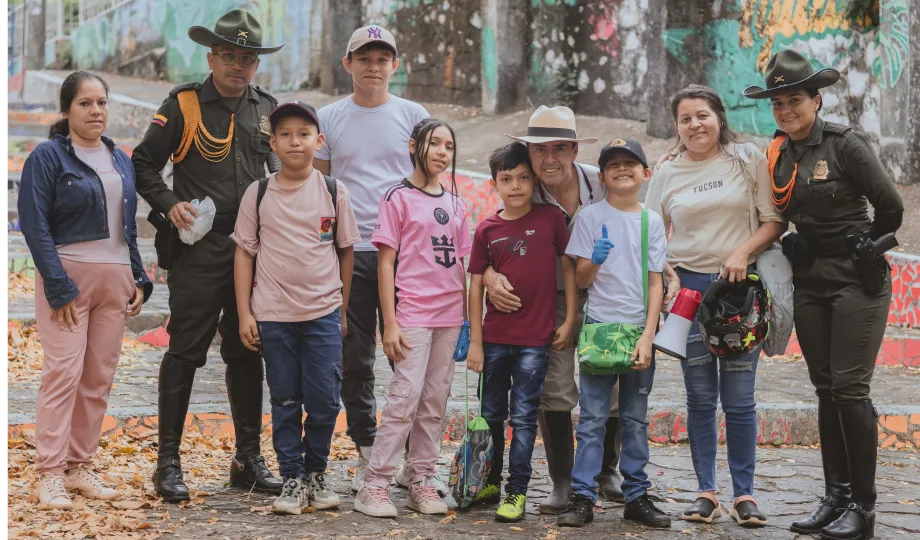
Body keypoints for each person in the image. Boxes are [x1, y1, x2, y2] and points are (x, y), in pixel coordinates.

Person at [743, 50, 903, 540]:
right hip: (810, 279)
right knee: (825, 389)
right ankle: (834, 498)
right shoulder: (778, 152)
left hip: (856, 281)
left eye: (794, 99)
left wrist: (864, 249)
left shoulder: (845, 144)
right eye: (778, 103)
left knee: (851, 389)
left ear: (815, 99)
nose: (786, 110)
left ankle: (864, 508)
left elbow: (892, 210)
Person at [132, 9, 284, 501]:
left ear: (256, 64)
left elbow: (281, 175)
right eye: (229, 55)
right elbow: (143, 163)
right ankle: (168, 464)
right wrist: (170, 203)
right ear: (211, 56)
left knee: (247, 351)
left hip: (253, 251)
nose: (238, 65)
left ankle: (247, 458)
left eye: (247, 58)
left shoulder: (268, 109)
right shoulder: (185, 105)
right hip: (200, 249)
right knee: (184, 351)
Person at [645, 84, 786, 528]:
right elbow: (649, 235)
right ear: (677, 127)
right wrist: (666, 273)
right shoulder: (667, 172)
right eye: (685, 119)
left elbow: (773, 221)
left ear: (719, 117)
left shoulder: (747, 159)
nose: (694, 124)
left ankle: (745, 494)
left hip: (739, 292)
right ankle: (706, 491)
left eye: (702, 115)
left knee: (740, 399)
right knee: (700, 397)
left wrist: (743, 251)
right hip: (688, 296)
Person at [18, 71, 153, 509]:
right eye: (85, 104)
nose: (96, 111)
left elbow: (126, 226)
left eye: (102, 103)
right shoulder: (48, 157)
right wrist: (57, 286)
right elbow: (35, 225)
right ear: (66, 110)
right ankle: (50, 473)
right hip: (68, 278)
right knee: (63, 373)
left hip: (115, 279)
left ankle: (80, 467)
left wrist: (139, 276)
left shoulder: (119, 158)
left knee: (98, 378)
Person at [313, 25, 430, 493]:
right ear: (348, 64)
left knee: (410, 355)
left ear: (395, 65)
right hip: (352, 252)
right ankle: (367, 445)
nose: (374, 67)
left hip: (408, 255)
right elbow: (317, 190)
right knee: (355, 356)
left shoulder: (413, 115)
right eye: (364, 58)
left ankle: (407, 455)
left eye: (383, 59)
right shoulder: (329, 117)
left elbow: (430, 177)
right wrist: (324, 248)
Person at [231, 101, 360, 515]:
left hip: (322, 312)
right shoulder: (260, 191)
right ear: (273, 142)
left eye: (304, 134)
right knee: (285, 400)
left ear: (318, 141)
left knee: (325, 400)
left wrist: (341, 308)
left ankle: (316, 472)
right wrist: (245, 313)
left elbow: (345, 250)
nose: (294, 142)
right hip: (273, 315)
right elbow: (244, 254)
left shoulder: (334, 191)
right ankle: (292, 477)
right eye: (285, 134)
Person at [353, 119, 470, 518]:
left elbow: (461, 263)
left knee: (434, 400)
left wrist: (469, 319)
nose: (441, 152)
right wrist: (389, 322)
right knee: (404, 399)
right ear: (413, 145)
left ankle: (420, 479)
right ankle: (374, 485)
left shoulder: (457, 202)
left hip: (450, 316)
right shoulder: (397, 197)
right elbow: (385, 264)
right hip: (413, 314)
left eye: (448, 146)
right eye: (433, 143)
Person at [556, 139, 669, 528]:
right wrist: (595, 260)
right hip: (600, 329)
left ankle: (637, 495)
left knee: (635, 420)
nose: (623, 169)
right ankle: (583, 496)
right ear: (601, 176)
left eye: (631, 163)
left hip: (638, 330)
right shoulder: (590, 217)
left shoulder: (650, 221)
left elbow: (656, 283)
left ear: (645, 173)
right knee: (591, 419)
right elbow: (581, 277)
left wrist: (648, 335)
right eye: (614, 165)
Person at [467, 142, 577, 523]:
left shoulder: (551, 219)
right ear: (494, 183)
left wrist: (569, 319)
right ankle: (489, 481)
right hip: (495, 339)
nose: (515, 186)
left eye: (523, 178)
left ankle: (517, 491)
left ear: (533, 181)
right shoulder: (487, 229)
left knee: (525, 419)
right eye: (506, 179)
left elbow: (568, 271)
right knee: (491, 414)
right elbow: (476, 285)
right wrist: (476, 343)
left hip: (536, 341)